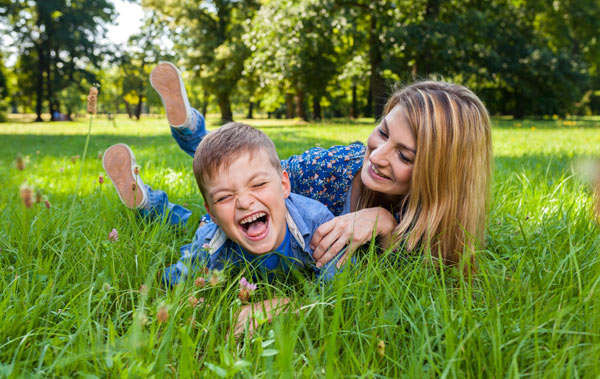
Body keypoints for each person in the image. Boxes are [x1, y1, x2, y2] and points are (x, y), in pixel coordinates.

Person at [125, 62, 493, 272]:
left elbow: (416, 272)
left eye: (405, 156)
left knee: (209, 212)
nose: (378, 155)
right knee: (213, 213)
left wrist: (385, 222)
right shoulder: (329, 170)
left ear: (441, 175)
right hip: (267, 203)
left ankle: (146, 200)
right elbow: (247, 175)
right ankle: (190, 133)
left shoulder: (446, 222)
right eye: (382, 133)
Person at [102, 123, 348, 286]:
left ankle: (151, 204)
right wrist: (144, 282)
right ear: (212, 214)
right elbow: (179, 284)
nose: (244, 202)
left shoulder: (317, 224)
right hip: (212, 241)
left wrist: (284, 306)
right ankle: (147, 204)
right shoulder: (210, 243)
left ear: (284, 185)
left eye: (258, 184)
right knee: (181, 276)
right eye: (223, 198)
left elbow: (337, 289)